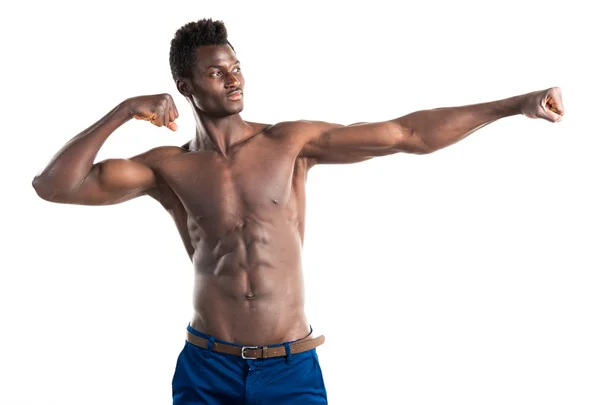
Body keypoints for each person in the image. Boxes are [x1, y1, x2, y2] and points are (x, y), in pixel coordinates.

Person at [32, 18, 564, 405]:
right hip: (205, 369)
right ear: (187, 87)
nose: (234, 78)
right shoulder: (167, 166)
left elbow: (407, 133)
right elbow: (55, 186)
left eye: (237, 67)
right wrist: (124, 110)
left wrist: (514, 105)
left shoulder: (288, 143)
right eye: (218, 73)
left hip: (290, 370)